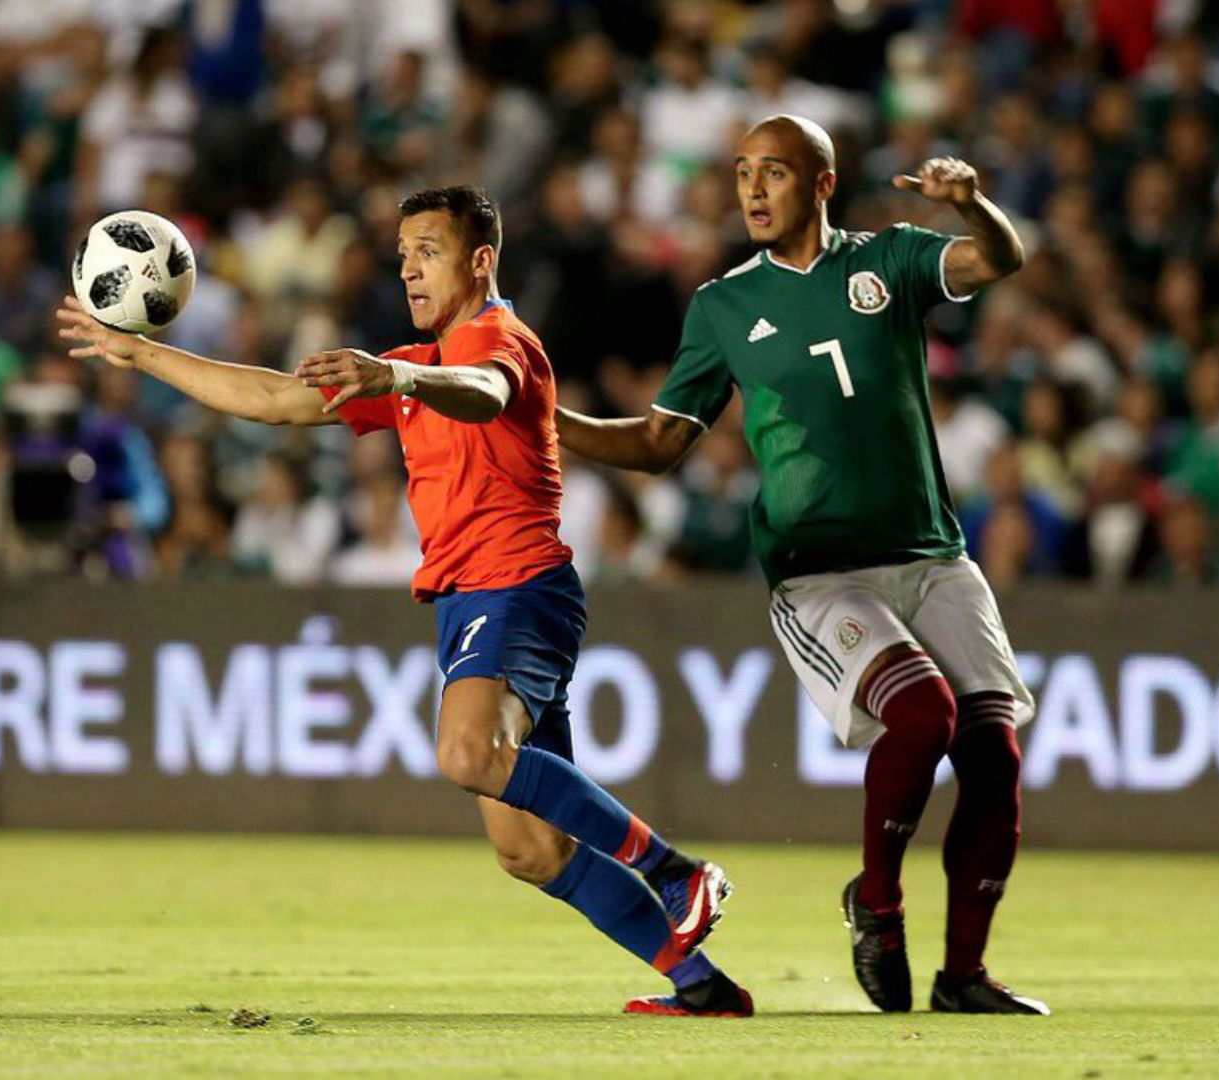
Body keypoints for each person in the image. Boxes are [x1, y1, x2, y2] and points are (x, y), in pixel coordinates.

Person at [57, 185, 750, 1017]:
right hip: (471, 598)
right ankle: (701, 984)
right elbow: (275, 400)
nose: (410, 270)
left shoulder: (498, 341)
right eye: (402, 256)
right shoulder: (421, 367)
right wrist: (141, 355)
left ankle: (675, 873)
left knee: (465, 753)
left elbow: (487, 391)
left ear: (480, 260)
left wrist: (396, 374)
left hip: (517, 585)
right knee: (529, 848)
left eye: (428, 252)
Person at [556, 116, 1046, 1015]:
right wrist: (544, 421)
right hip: (821, 572)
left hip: (932, 556)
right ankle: (878, 902)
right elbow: (661, 442)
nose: (751, 188)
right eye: (743, 171)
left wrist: (972, 204)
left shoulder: (890, 260)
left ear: (821, 182)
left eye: (773, 171)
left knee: (995, 757)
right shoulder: (723, 305)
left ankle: (964, 976)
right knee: (924, 714)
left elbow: (998, 260)